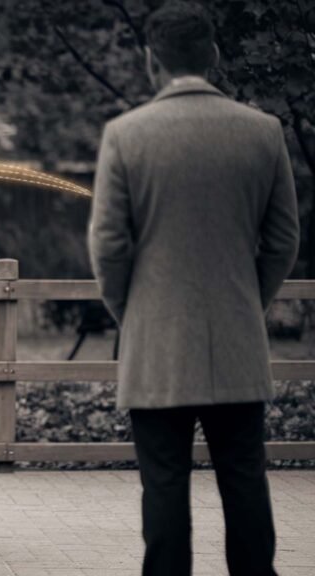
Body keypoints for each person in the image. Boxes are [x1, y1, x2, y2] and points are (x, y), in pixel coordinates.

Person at [88, 2, 299, 575]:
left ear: (151, 60)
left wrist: (134, 312)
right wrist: (246, 301)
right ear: (216, 55)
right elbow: (282, 241)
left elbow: (108, 247)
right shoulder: (263, 132)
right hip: (237, 339)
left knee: (163, 488)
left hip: (157, 346)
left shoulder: (126, 136)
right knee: (245, 482)